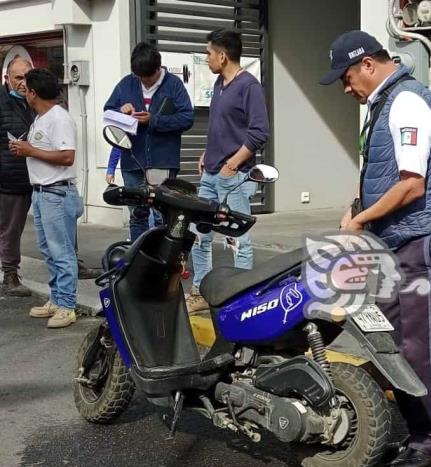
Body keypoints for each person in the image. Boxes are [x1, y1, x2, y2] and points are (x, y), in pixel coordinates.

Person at [321, 30, 431, 467]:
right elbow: (384, 176)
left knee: (419, 342)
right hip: (394, 240)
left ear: (367, 64)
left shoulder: (407, 102)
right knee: (386, 337)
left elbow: (412, 184)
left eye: (345, 77)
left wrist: (361, 221)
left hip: (421, 240)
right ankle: (412, 422)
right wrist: (357, 206)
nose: (345, 88)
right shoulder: (382, 104)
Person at [186, 29, 270, 314]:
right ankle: (199, 291)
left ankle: (241, 297)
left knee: (238, 240)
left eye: (208, 53)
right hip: (211, 172)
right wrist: (207, 153)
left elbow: (259, 133)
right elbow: (222, 127)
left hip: (234, 177)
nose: (206, 58)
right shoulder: (220, 84)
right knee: (200, 233)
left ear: (223, 56)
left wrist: (232, 163)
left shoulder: (249, 86)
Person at [9, 68, 84, 328]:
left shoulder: (59, 118)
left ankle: (67, 305)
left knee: (61, 251)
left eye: (26, 88)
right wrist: (25, 148)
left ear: (34, 93)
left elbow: (67, 157)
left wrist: (31, 150)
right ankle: (57, 298)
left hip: (57, 192)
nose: (24, 92)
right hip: (41, 192)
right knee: (49, 251)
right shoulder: (40, 119)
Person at [103, 42, 194, 242]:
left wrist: (154, 120)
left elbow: (187, 118)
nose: (144, 81)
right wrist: (120, 111)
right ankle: (138, 259)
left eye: (148, 77)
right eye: (139, 77)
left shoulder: (173, 84)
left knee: (163, 215)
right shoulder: (126, 84)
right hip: (132, 160)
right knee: (137, 215)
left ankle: (162, 261)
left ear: (157, 68)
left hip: (162, 161)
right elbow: (107, 112)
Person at [0, 56, 34, 297]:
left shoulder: (35, 101)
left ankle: (71, 263)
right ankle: (10, 274)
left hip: (35, 177)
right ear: (7, 79)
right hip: (9, 179)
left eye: (27, 77)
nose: (23, 83)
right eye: (18, 77)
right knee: (10, 229)